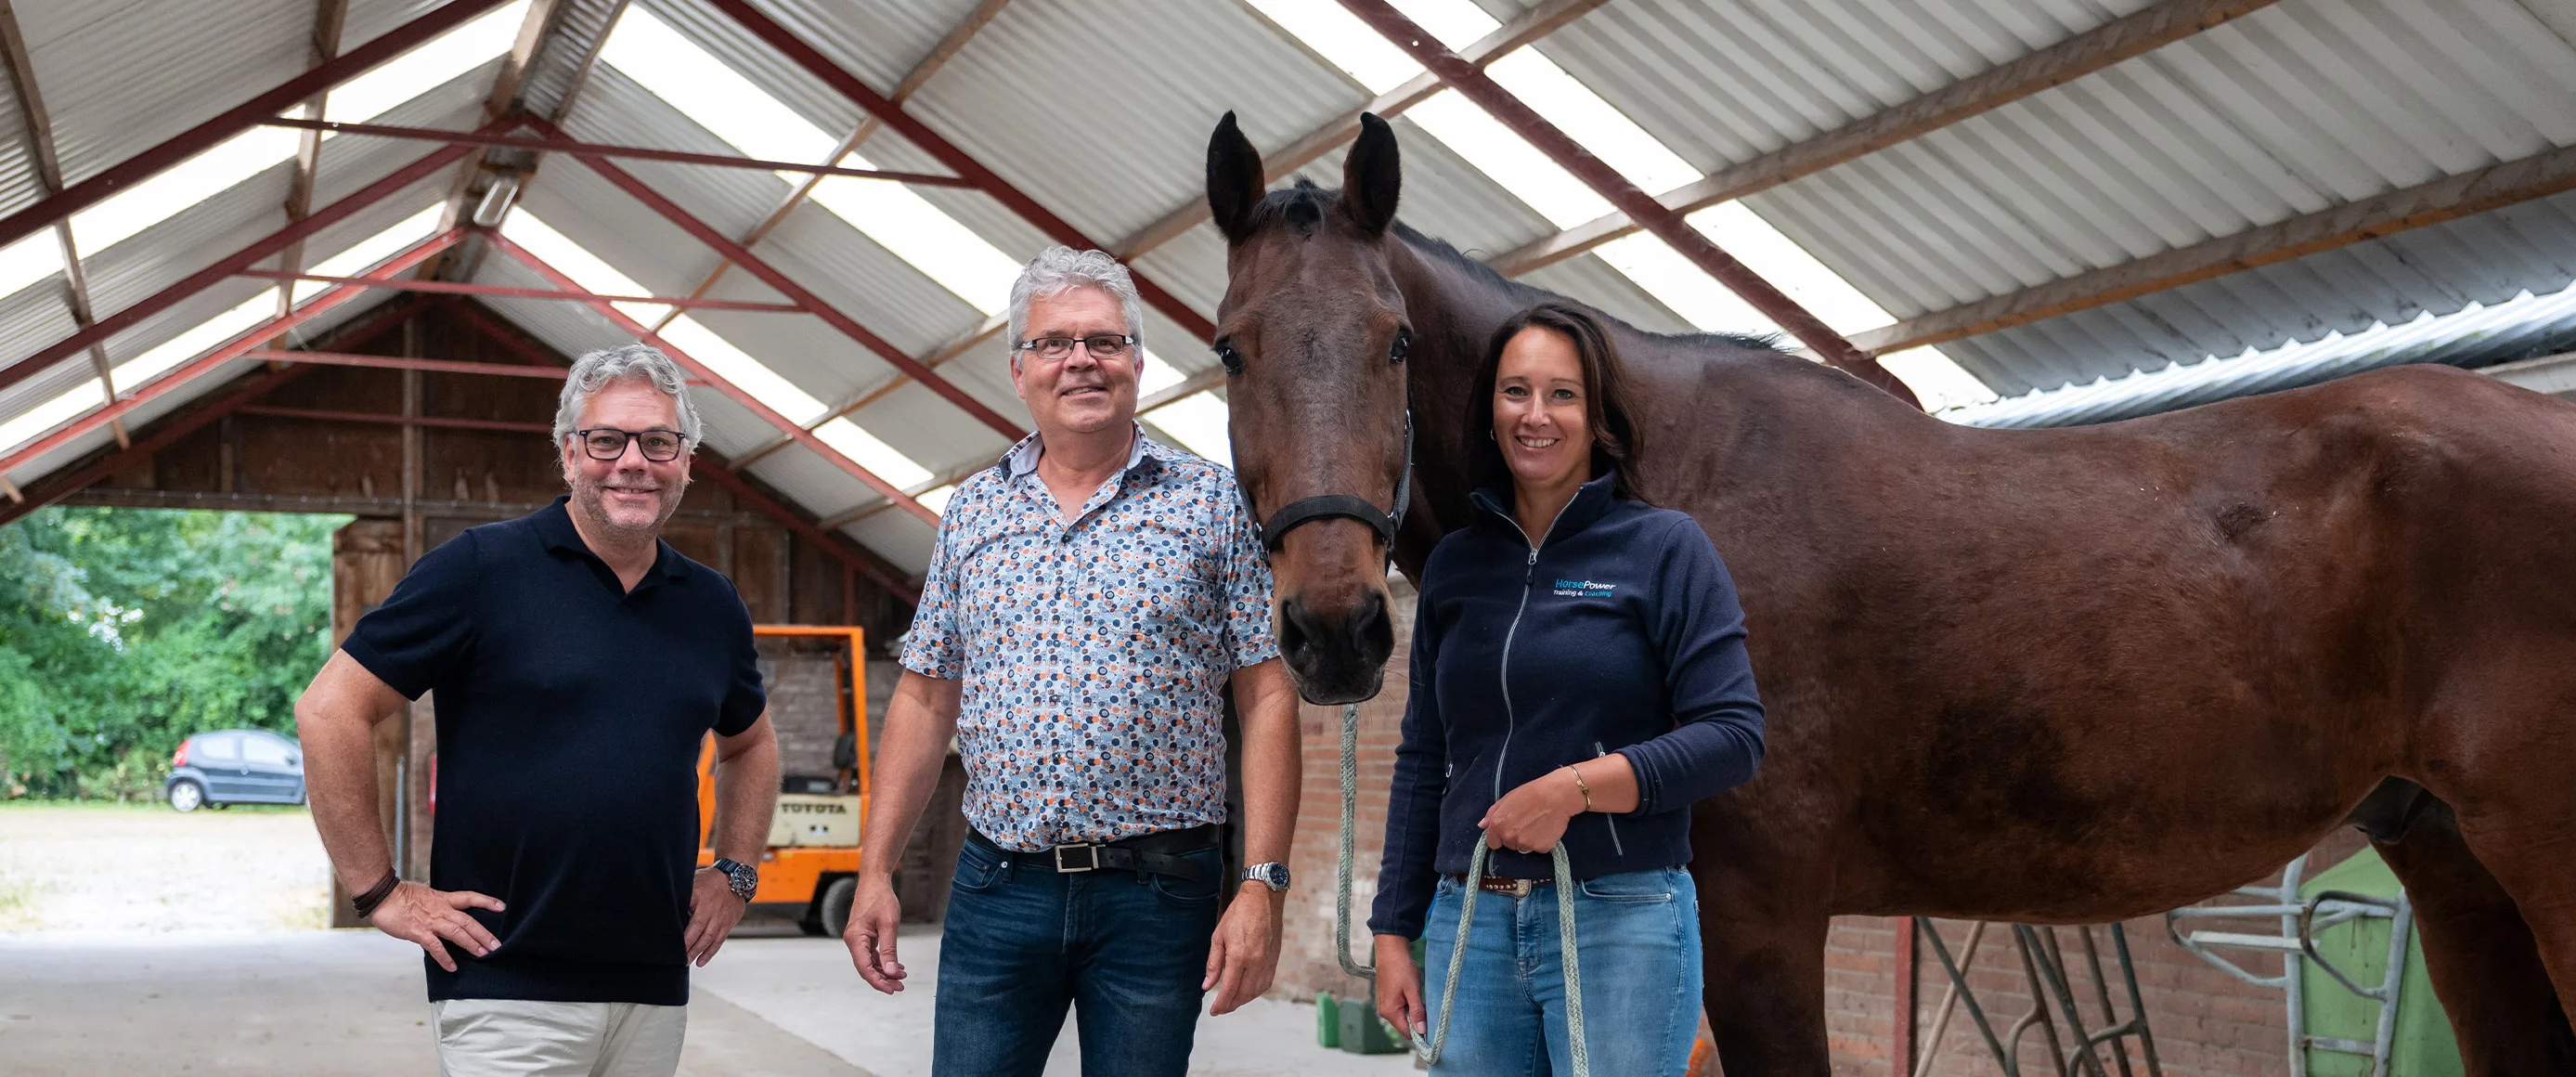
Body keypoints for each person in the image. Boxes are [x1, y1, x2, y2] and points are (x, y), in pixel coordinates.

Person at [839, 246, 1301, 1076]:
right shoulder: (974, 512)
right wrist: (875, 869)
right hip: (998, 888)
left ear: (1138, 362)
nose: (1081, 359)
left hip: (1158, 894)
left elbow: (1265, 696)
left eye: (1103, 341)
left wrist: (1263, 884)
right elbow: (924, 697)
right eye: (1054, 343)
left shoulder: (1210, 502)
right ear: (1019, 370)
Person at [293, 344, 778, 1077]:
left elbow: (751, 746)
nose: (633, 462)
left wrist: (736, 871)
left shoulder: (711, 604)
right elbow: (330, 711)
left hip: (652, 982)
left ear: (687, 459)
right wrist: (380, 892)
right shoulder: (482, 569)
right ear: (568, 454)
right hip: (507, 982)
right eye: (606, 440)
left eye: (658, 442)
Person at [1368, 301, 1767, 1075]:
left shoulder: (1664, 549)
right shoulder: (1454, 566)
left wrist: (1575, 790)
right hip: (1471, 919)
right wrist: (1393, 931)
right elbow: (1424, 757)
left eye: (1562, 394)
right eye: (1516, 392)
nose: (1536, 416)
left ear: (1598, 414)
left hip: (1621, 922)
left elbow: (1734, 734)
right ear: (1489, 409)